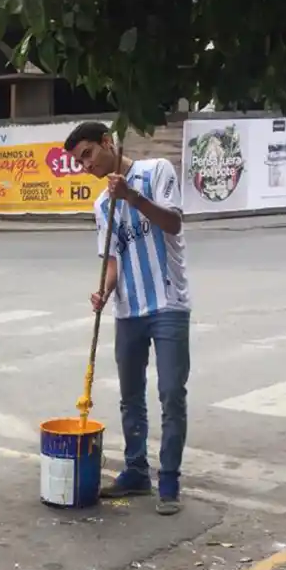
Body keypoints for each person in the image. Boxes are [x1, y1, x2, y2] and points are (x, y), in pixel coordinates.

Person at [64, 121, 191, 515]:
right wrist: (104, 289)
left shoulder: (156, 173)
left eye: (87, 154)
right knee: (130, 396)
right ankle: (136, 470)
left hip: (168, 304)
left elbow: (173, 222)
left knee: (171, 392)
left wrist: (132, 196)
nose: (85, 165)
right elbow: (112, 259)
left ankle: (168, 481)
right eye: (78, 160)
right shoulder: (102, 205)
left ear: (107, 143)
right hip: (128, 311)